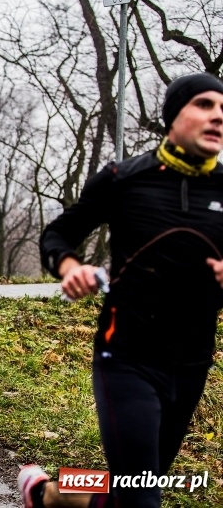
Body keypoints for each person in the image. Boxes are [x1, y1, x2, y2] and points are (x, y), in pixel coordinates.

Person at [19, 72, 223, 508]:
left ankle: (50, 492)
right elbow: (56, 236)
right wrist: (70, 267)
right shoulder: (123, 178)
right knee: (143, 498)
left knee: (132, 487)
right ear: (173, 116)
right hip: (127, 357)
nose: (218, 116)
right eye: (205, 105)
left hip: (191, 364)